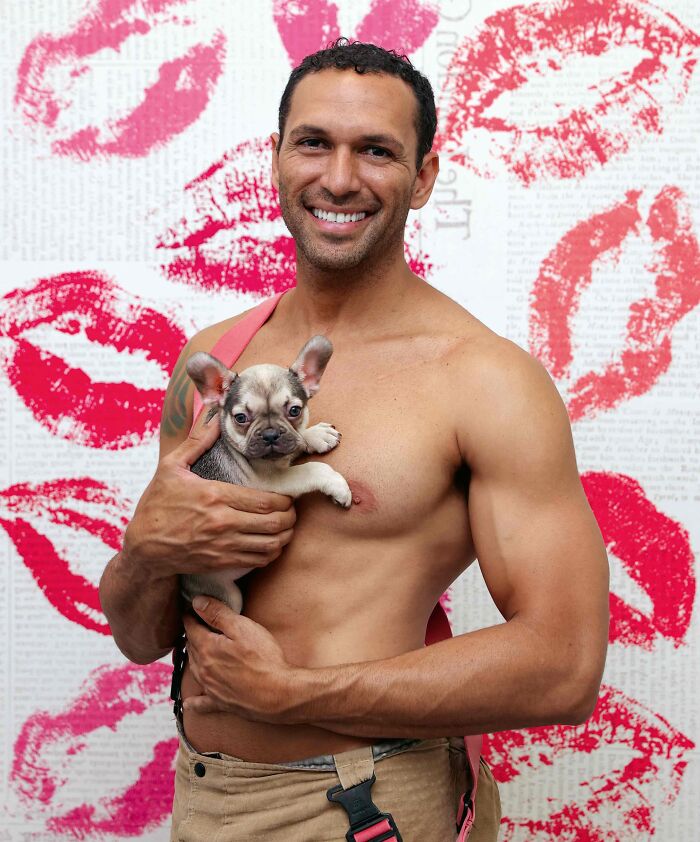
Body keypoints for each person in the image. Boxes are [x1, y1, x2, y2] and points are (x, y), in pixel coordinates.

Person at [99, 39, 609, 841]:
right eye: (314, 143)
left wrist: (292, 695)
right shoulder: (217, 361)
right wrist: (145, 552)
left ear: (424, 176)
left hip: (365, 802)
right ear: (275, 158)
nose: (339, 179)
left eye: (376, 151)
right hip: (204, 796)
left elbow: (566, 666)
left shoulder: (484, 380)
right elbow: (141, 637)